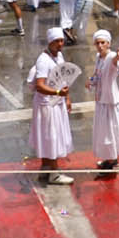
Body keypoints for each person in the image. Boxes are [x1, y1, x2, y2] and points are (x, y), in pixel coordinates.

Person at [30, 27, 76, 185]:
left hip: (57, 102)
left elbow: (63, 78)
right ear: (50, 42)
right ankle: (54, 174)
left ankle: (45, 168)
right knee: (51, 136)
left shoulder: (59, 56)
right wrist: (57, 93)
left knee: (48, 136)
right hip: (47, 106)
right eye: (57, 41)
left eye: (62, 40)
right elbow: (39, 85)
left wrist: (67, 98)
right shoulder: (43, 60)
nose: (60, 44)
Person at [91, 29, 119, 172]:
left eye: (103, 43)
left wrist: (117, 57)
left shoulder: (112, 56)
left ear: (108, 44)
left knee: (110, 131)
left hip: (111, 100)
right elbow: (97, 74)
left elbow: (114, 61)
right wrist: (91, 81)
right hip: (101, 98)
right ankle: (109, 158)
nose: (100, 45)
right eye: (98, 43)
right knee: (103, 131)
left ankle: (112, 159)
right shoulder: (98, 57)